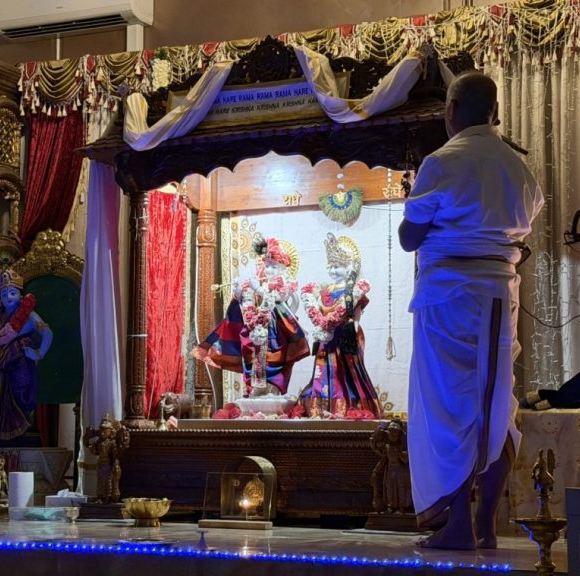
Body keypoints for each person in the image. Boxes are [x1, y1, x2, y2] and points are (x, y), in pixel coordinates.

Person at [398, 71, 543, 550]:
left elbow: (409, 238)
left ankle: (458, 523)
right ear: (493, 112)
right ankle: (486, 525)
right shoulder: (518, 168)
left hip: (448, 296)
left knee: (449, 408)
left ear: (452, 110)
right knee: (496, 405)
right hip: (500, 293)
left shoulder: (442, 162)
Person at [193, 236, 309, 397]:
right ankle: (256, 387)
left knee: (274, 358)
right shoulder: (260, 283)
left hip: (276, 330)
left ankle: (273, 387)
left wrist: (258, 289)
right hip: (256, 327)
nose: (269, 270)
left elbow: (278, 298)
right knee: (252, 355)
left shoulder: (284, 283)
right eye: (267, 265)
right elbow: (248, 304)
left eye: (274, 266)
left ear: (283, 268)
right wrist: (239, 292)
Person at [298, 233, 381, 418]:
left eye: (338, 267)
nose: (333, 271)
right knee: (323, 370)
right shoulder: (324, 291)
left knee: (345, 371)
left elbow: (356, 316)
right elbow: (319, 312)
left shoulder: (353, 291)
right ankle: (320, 407)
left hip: (345, 337)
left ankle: (346, 406)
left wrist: (352, 329)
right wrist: (321, 326)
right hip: (326, 338)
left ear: (348, 267)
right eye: (331, 267)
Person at [0, 268, 53, 447]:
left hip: (21, 364)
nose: (8, 297)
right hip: (1, 366)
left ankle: (18, 431)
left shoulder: (29, 316)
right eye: (4, 294)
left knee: (19, 398)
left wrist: (38, 353)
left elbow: (48, 333)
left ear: (20, 295)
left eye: (12, 293)